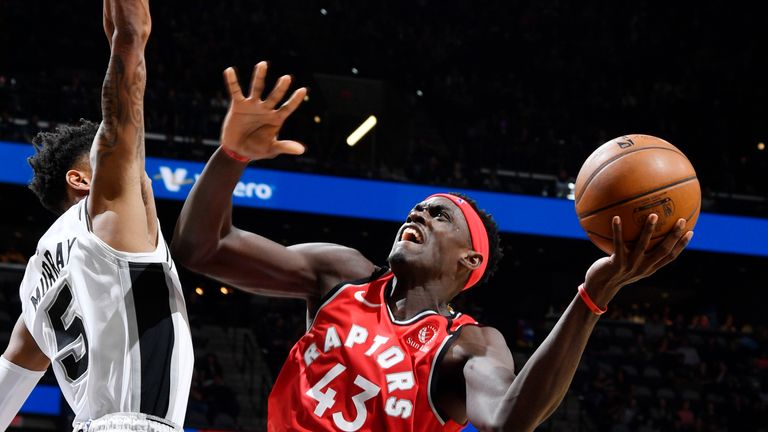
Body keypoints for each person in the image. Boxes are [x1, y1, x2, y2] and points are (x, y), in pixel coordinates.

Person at [172, 62, 693, 431]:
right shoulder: (344, 276)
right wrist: (231, 155)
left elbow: (509, 421)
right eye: (416, 209)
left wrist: (592, 297)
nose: (418, 214)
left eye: (439, 215)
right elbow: (203, 248)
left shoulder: (469, 345)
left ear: (471, 260)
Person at [0, 0, 193, 430]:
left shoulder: (35, 281)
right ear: (82, 180)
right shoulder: (107, 213)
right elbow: (124, 104)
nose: (139, 172)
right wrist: (130, 34)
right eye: (122, 164)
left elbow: (6, 386)